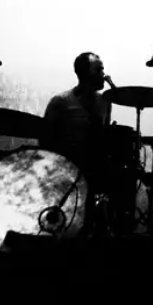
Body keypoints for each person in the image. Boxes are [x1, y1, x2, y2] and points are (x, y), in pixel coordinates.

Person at [41, 52, 122, 233]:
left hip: (93, 170)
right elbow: (46, 140)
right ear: (84, 73)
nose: (104, 74)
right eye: (99, 69)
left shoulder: (105, 102)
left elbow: (103, 135)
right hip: (66, 172)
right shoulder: (60, 101)